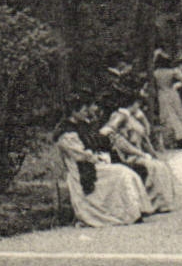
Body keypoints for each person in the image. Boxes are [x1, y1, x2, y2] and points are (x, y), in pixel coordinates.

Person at [55, 95, 148, 227]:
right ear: (74, 111)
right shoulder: (66, 132)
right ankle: (125, 213)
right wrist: (96, 157)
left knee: (124, 171)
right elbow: (79, 155)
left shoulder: (81, 125)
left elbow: (93, 143)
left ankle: (132, 212)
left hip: (92, 163)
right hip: (80, 168)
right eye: (83, 110)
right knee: (121, 173)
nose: (86, 113)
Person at [99, 92, 177, 214]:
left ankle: (160, 202)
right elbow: (110, 132)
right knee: (156, 167)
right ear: (133, 104)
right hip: (130, 154)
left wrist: (142, 117)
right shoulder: (121, 116)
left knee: (162, 166)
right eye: (138, 105)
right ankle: (153, 201)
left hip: (138, 151)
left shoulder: (132, 117)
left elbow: (146, 132)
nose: (139, 107)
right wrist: (139, 153)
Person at [151, 49, 182, 149]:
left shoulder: (155, 73)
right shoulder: (172, 71)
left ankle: (170, 140)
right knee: (179, 114)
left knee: (167, 117)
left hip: (162, 94)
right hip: (172, 93)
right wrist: (177, 84)